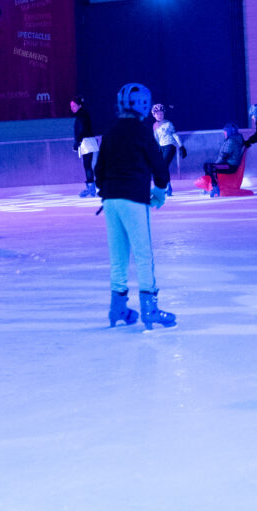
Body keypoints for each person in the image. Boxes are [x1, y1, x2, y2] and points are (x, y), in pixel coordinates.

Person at [94, 81, 176, 331]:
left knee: (118, 257)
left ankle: (117, 308)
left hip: (110, 201)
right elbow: (159, 167)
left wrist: (107, 192)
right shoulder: (142, 133)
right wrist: (159, 192)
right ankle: (150, 309)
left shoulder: (109, 133)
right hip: (133, 200)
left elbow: (99, 171)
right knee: (143, 255)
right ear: (144, 105)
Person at [151, 103, 187, 196]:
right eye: (157, 114)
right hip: (161, 147)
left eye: (161, 113)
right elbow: (156, 139)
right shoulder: (155, 125)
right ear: (153, 115)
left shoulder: (168, 123)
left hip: (170, 146)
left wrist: (181, 146)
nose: (160, 115)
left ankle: (167, 187)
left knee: (163, 165)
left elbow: (175, 135)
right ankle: (167, 186)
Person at [203, 122, 245, 198]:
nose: (224, 133)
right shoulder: (233, 140)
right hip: (230, 164)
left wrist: (215, 165)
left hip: (231, 166)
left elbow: (224, 156)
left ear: (230, 132)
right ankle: (210, 186)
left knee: (210, 167)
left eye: (225, 132)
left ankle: (215, 187)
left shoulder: (231, 141)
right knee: (208, 166)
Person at [71, 94, 99, 198]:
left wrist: (77, 142)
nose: (72, 108)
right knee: (87, 165)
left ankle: (91, 187)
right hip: (86, 141)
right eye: (71, 107)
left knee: (87, 165)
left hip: (86, 142)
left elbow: (82, 130)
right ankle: (91, 186)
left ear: (79, 105)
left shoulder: (82, 115)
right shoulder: (82, 114)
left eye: (74, 106)